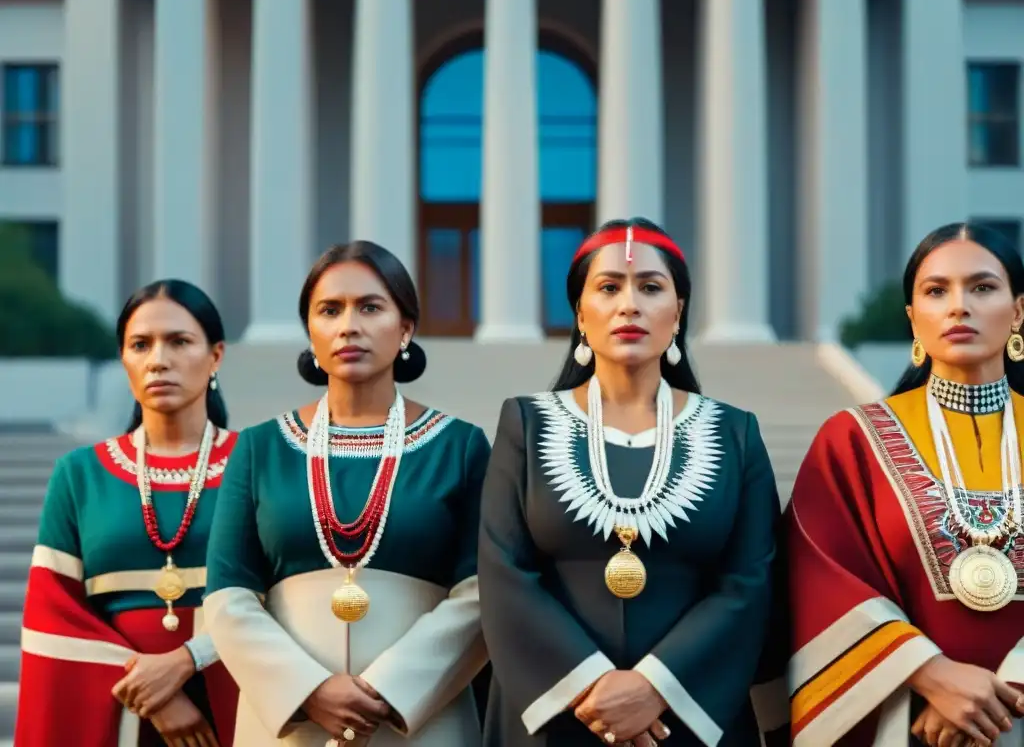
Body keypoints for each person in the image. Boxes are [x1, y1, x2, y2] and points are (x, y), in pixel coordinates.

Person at [478, 218, 786, 747]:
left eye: (650, 287)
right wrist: (592, 686)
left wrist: (654, 687)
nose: (629, 305)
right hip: (558, 718)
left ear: (678, 310)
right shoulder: (526, 424)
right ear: (580, 312)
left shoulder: (734, 433)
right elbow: (504, 573)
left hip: (687, 717)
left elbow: (751, 581)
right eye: (608, 288)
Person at [202, 241, 492, 746]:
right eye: (329, 310)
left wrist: (392, 688)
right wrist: (308, 689)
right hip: (292, 725)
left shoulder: (460, 446)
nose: (348, 325)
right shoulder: (259, 447)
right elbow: (228, 596)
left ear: (406, 329)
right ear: (311, 332)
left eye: (371, 307)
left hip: (421, 720)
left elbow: (483, 592)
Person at [788, 222, 1024, 747]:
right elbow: (816, 575)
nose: (958, 305)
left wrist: (1005, 691)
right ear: (914, 320)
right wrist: (929, 674)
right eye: (936, 291)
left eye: (983, 288)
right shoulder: (852, 440)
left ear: (1019, 312)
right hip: (909, 720)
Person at [16, 279, 240, 746]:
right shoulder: (80, 474)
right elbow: (54, 610)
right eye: (141, 344)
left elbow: (282, 595)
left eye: (179, 342)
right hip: (119, 707)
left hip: (241, 699)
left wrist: (188, 660)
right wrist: (155, 694)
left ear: (215, 355)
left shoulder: (257, 464)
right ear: (124, 359)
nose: (159, 359)